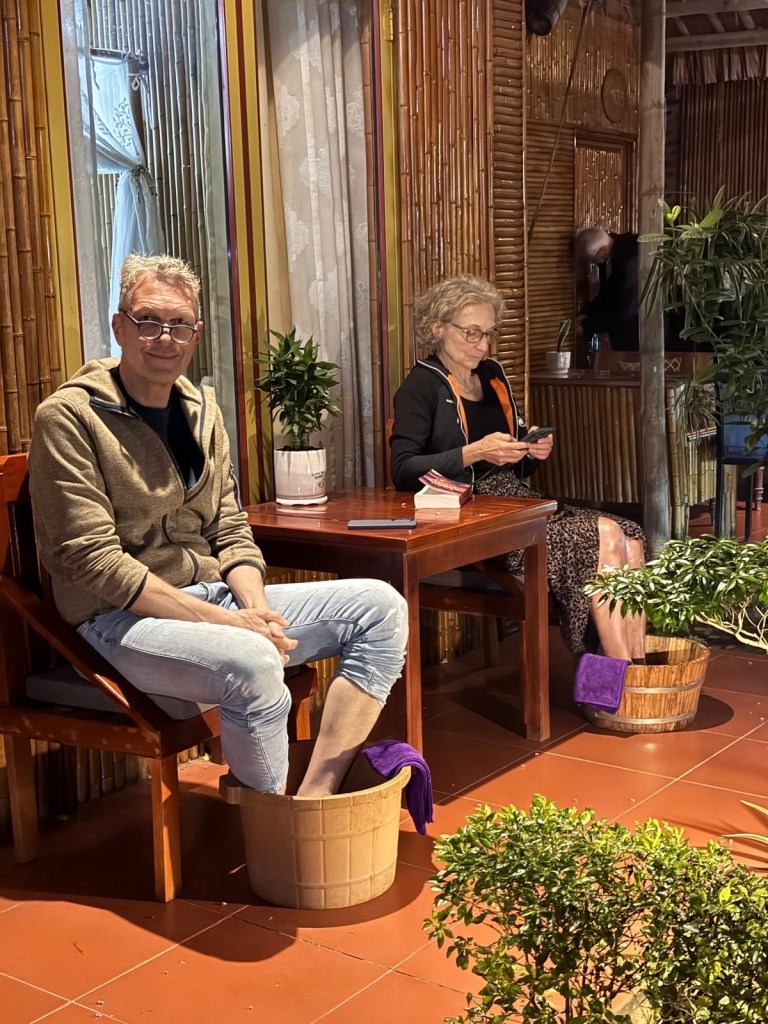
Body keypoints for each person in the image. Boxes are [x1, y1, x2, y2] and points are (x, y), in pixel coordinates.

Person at [28, 253, 408, 797]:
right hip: (116, 619)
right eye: (148, 321)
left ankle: (314, 799)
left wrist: (255, 608)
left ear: (197, 333)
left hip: (212, 598)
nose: (165, 337)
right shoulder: (70, 417)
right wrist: (231, 625)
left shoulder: (200, 411)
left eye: (180, 324)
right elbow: (91, 560)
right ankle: (268, 821)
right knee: (252, 660)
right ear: (119, 326)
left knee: (381, 607)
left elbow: (228, 526)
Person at [390, 274, 646, 661]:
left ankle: (636, 668)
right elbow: (403, 470)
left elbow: (516, 469)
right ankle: (615, 677)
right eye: (471, 333)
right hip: (468, 516)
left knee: (630, 534)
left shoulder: (492, 375)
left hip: (515, 502)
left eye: (488, 334)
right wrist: (473, 453)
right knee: (606, 534)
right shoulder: (421, 385)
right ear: (438, 327)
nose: (482, 345)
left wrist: (530, 450)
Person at [576, 228, 639, 353]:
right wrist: (587, 313)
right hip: (622, 335)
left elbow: (626, 311)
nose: (592, 263)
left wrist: (589, 326)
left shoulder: (631, 258)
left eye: (593, 259)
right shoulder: (610, 253)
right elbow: (606, 295)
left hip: (636, 336)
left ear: (603, 250)